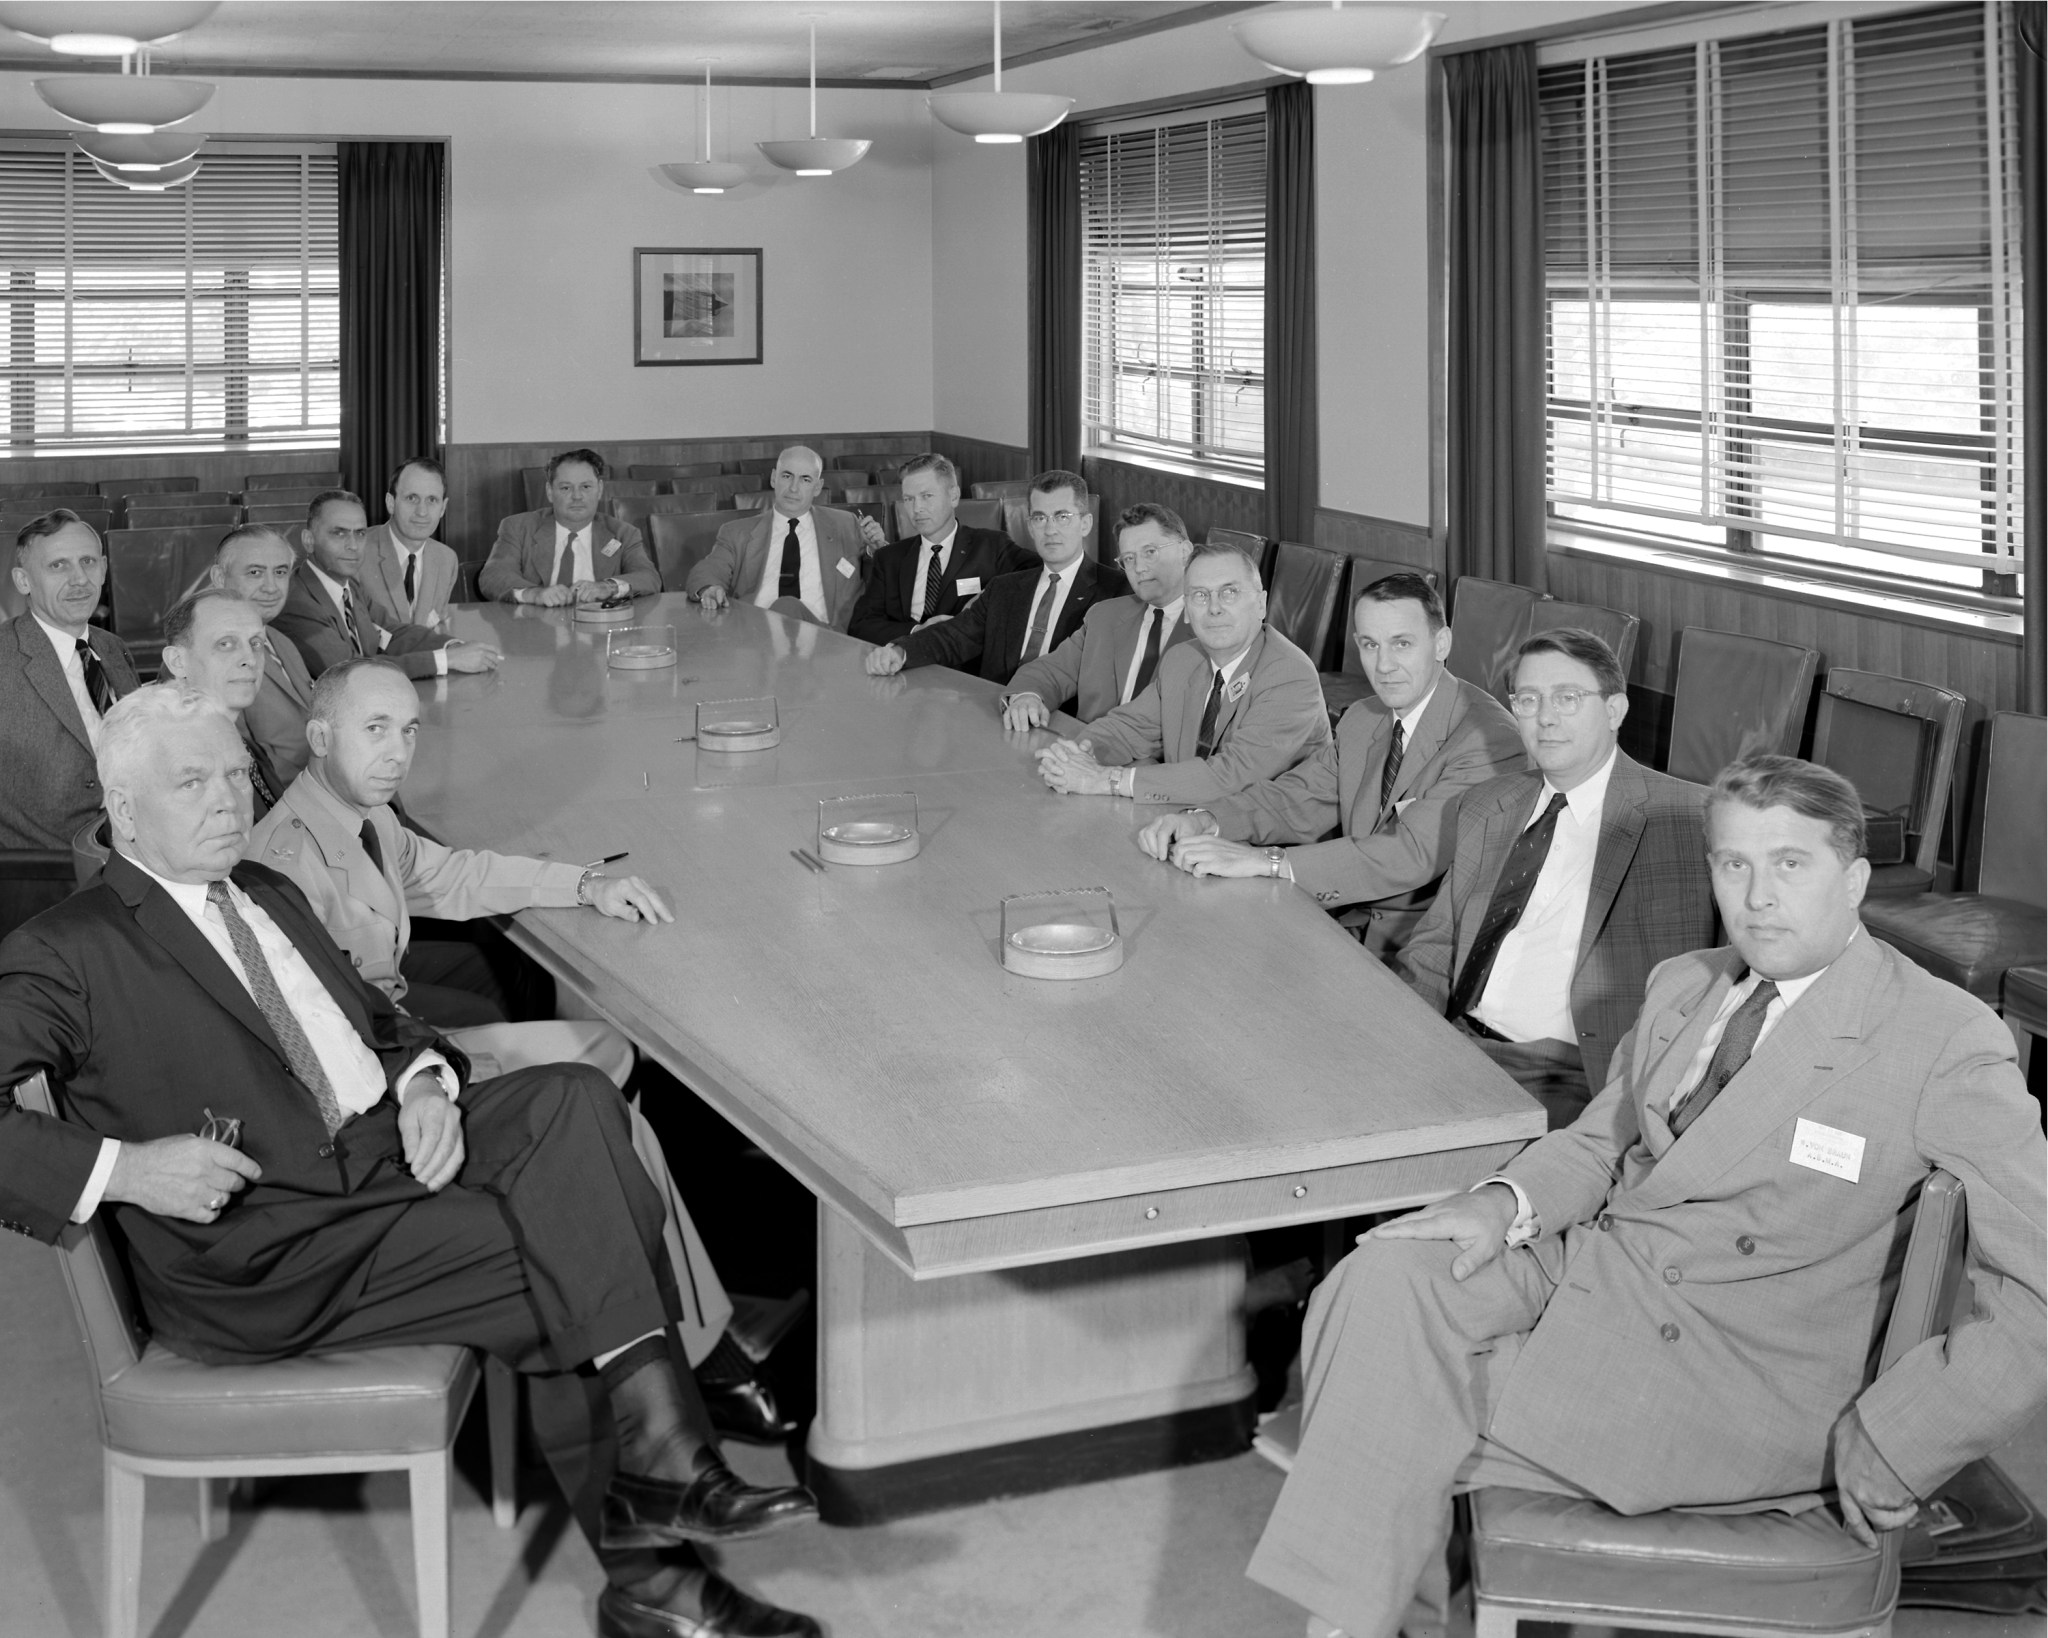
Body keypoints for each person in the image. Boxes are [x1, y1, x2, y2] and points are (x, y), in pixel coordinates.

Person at [0, 684, 826, 1638]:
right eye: (193, 781)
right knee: (573, 1242)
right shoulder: (67, 948)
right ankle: (658, 1549)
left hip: (380, 1158)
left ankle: (661, 1473)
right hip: (273, 1244)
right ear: (126, 809)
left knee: (577, 1099)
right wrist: (126, 1171)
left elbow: (379, 1019)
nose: (230, 799)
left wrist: (425, 1081)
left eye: (234, 773)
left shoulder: (263, 888)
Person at [1245, 755, 2048, 1638]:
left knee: (1385, 1399)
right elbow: (1597, 1143)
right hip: (1600, 1270)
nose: (1758, 895)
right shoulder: (1685, 984)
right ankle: (1385, 1618)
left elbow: (2038, 1282)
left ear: (1854, 879)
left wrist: (1906, 1438)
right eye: (1734, 864)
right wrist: (1504, 1201)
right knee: (1375, 1285)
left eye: (1791, 864)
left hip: (1733, 1368)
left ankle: (1367, 1624)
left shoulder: (1941, 1038)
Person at [248, 656, 799, 1446]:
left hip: (412, 1051)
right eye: (375, 730)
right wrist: (425, 1080)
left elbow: (457, 875)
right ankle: (697, 1351)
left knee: (606, 1050)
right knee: (612, 1116)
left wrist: (584, 885)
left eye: (407, 731)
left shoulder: (364, 817)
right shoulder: (285, 861)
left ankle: (649, 1281)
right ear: (318, 735)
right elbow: (322, 1040)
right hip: (388, 1089)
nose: (397, 751)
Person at [1396, 629, 1719, 1127]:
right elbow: (1438, 941)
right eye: (1528, 699)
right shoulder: (1488, 804)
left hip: (1575, 1076)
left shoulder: (1688, 819)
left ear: (1615, 710)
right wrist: (1409, 1036)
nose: (1546, 717)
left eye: (1567, 698)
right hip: (1454, 1042)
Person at [1137, 572, 1525, 955]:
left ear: (1442, 643)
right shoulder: (1365, 717)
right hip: (1343, 919)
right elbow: (1296, 796)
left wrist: (1267, 861)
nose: (1384, 665)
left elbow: (1409, 854)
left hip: (1418, 948)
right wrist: (1205, 819)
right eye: (1370, 645)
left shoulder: (1489, 740)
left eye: (1402, 644)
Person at [1033, 537, 1331, 805]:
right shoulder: (1182, 659)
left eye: (1229, 593)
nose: (1214, 608)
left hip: (1264, 843)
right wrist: (1078, 755)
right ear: (1187, 609)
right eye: (1200, 595)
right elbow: (1130, 728)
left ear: (1261, 604)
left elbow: (1233, 777)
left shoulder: (1290, 675)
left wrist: (1107, 780)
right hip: (1186, 820)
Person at [864, 470, 1126, 687]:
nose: (1050, 529)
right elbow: (954, 636)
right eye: (1039, 517)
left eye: (1062, 516)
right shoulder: (1005, 587)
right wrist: (900, 651)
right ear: (1030, 526)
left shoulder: (1116, 592)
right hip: (991, 712)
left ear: (1086, 523)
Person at [0, 510, 140, 850]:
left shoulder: (114, 649)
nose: (79, 579)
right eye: (58, 566)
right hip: (44, 870)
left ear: (105, 569)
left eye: (88, 561)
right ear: (23, 581)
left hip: (134, 850)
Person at [1000, 502, 1199, 730]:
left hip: (1158, 762)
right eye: (1129, 559)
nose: (1139, 568)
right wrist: (1027, 696)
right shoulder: (1105, 616)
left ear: (1185, 551)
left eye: (1150, 552)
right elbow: (1050, 671)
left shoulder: (1212, 627)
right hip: (1086, 749)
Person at [275, 491, 501, 682]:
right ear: (308, 540)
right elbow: (350, 671)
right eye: (339, 533)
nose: (353, 545)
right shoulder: (296, 601)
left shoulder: (347, 585)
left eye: (360, 534)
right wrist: (446, 660)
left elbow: (392, 632)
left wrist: (452, 646)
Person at [846, 452, 1033, 645]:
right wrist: (917, 631)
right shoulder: (889, 558)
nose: (917, 508)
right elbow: (861, 625)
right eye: (909, 499)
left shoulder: (992, 546)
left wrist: (986, 598)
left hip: (967, 667)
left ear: (954, 496)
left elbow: (1039, 572)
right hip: (903, 663)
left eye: (926, 496)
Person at [684, 445, 868, 629]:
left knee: (788, 606)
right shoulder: (738, 532)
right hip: (757, 634)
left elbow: (880, 577)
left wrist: (876, 548)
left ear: (817, 487)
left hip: (828, 637)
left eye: (805, 479)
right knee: (785, 608)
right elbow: (708, 570)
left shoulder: (845, 524)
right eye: (787, 476)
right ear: (774, 478)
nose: (793, 488)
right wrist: (709, 588)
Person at [158, 589, 292, 820]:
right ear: (177, 662)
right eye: (226, 644)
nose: (250, 659)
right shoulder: (175, 764)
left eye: (256, 643)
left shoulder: (239, 742)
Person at [480, 448, 660, 607]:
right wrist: (534, 594)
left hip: (600, 633)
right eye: (566, 488)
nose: (577, 496)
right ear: (550, 491)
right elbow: (494, 576)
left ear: (600, 489)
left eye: (586, 487)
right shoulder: (518, 528)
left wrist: (609, 587)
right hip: (535, 629)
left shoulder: (623, 533)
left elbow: (649, 578)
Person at [211, 523, 319, 782]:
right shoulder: (208, 655)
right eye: (255, 572)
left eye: (280, 572)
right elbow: (240, 767)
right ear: (219, 578)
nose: (271, 587)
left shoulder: (279, 640)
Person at [357, 456, 463, 630]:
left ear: (443, 508)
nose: (422, 512)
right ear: (391, 503)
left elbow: (436, 626)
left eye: (432, 500)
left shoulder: (447, 559)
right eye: (412, 498)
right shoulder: (358, 552)